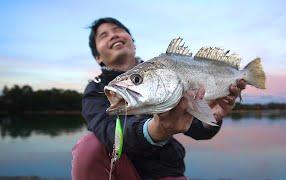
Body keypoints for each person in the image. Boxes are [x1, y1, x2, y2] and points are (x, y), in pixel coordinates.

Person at [71, 17, 246, 180]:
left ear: (133, 43)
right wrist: (155, 130)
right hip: (119, 170)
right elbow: (108, 132)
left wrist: (211, 117)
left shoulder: (164, 71)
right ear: (98, 57)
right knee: (89, 145)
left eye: (117, 29)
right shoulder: (94, 90)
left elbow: (196, 130)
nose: (113, 35)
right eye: (104, 35)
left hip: (166, 171)